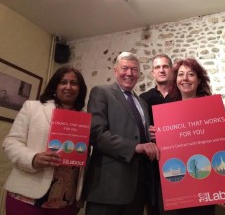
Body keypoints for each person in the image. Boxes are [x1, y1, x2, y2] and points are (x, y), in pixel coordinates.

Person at [2, 66, 87, 215]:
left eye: (74, 83)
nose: (68, 87)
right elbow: (11, 142)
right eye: (63, 82)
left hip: (65, 200)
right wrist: (33, 158)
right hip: (26, 196)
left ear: (80, 89)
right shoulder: (33, 107)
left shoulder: (86, 118)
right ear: (55, 86)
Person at [83, 52, 160, 215]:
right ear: (115, 70)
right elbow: (96, 134)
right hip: (107, 188)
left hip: (137, 191)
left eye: (134, 70)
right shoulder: (101, 92)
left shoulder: (142, 103)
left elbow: (139, 135)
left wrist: (152, 137)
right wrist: (135, 147)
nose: (129, 73)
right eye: (125, 68)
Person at [166, 58, 215, 215]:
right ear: (176, 80)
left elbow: (217, 146)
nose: (185, 78)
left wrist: (222, 186)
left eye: (191, 74)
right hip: (177, 186)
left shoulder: (210, 108)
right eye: (181, 74)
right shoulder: (168, 113)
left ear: (199, 80)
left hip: (205, 185)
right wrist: (159, 135)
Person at [140, 53, 174, 215]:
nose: (161, 70)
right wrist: (147, 134)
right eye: (157, 67)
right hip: (152, 166)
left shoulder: (181, 96)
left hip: (178, 159)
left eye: (165, 66)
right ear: (152, 72)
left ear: (172, 70)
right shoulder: (143, 99)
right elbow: (137, 131)